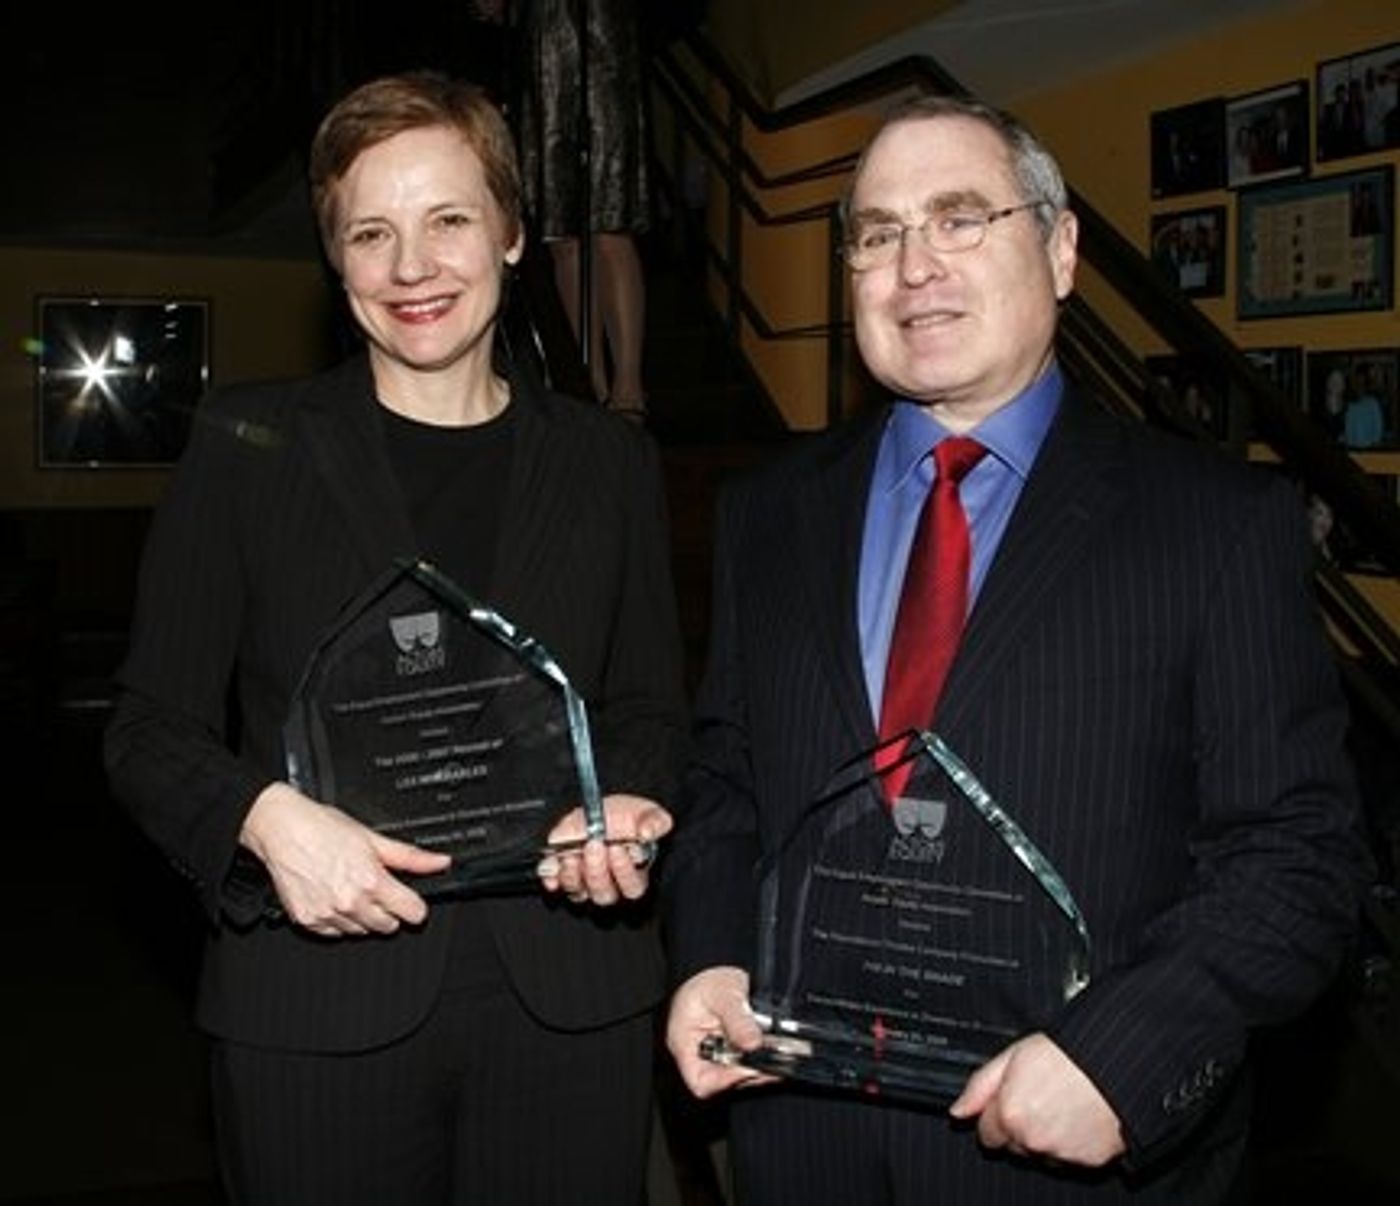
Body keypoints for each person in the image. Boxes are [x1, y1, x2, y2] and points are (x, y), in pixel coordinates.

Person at [660, 94, 1371, 1205]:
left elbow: (1298, 853)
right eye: (878, 234)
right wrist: (711, 949)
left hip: (1065, 1155)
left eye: (958, 218)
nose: (914, 267)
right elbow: (726, 779)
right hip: (803, 1137)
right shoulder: (767, 513)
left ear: (1061, 248)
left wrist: (1123, 1055)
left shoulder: (1218, 524)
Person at [104, 70, 687, 1205]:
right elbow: (146, 728)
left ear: (512, 234)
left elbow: (650, 709)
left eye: (448, 220)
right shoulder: (248, 446)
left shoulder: (608, 462)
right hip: (316, 1002)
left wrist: (626, 801)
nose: (411, 266)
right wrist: (264, 823)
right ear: (337, 260)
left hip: (568, 1001)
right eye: (371, 233)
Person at [500, 0, 653, 422]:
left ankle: (628, 385)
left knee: (609, 219)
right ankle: (588, 383)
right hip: (545, 44)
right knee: (563, 235)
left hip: (599, 35)